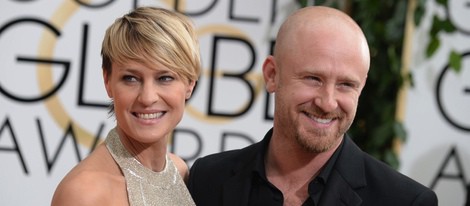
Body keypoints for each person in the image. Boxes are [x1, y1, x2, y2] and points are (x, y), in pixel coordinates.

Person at [188, 6, 438, 206]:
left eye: (346, 85)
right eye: (313, 79)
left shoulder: (404, 201)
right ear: (272, 75)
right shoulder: (208, 179)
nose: (327, 103)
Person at [51, 6, 200, 206]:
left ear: (190, 83)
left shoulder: (180, 171)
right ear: (107, 81)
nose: (147, 98)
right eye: (131, 78)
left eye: (164, 78)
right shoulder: (85, 192)